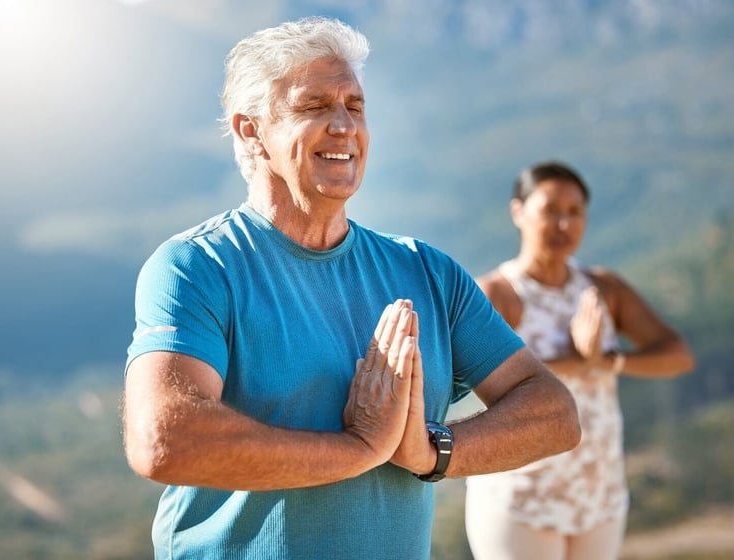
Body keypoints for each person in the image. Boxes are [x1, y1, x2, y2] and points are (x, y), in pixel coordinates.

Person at [122, 17, 581, 560]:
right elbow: (165, 439)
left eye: (355, 107)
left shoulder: (427, 272)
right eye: (314, 106)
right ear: (251, 131)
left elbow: (554, 412)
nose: (344, 125)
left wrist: (427, 451)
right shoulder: (197, 266)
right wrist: (357, 450)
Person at [464, 161, 695, 560]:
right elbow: (471, 390)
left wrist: (610, 361)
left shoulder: (605, 288)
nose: (563, 225)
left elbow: (677, 355)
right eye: (550, 211)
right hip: (520, 500)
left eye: (574, 213)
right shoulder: (497, 294)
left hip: (598, 499)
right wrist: (578, 361)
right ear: (518, 213)